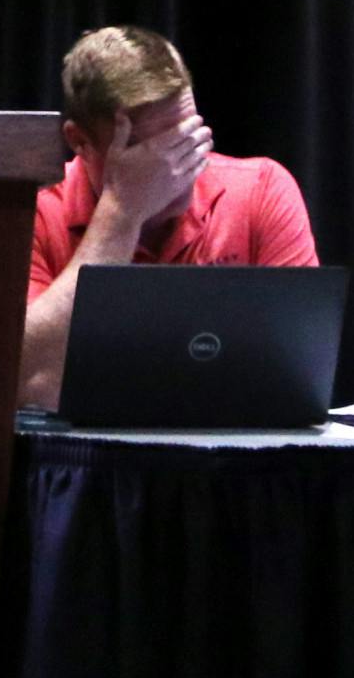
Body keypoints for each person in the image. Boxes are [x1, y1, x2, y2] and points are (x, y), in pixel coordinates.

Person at [19, 24, 318, 408]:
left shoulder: (261, 190)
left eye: (186, 136)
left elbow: (298, 383)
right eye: (148, 149)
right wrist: (122, 211)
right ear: (80, 141)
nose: (177, 168)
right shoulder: (36, 214)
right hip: (84, 465)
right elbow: (30, 385)